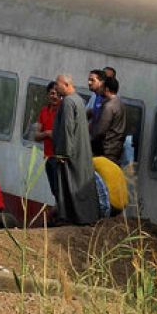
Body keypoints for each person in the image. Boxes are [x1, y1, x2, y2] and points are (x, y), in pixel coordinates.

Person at [49, 74, 98, 225]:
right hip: (78, 151)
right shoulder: (78, 99)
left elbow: (67, 128)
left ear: (66, 84)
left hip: (69, 154)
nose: (55, 88)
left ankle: (69, 217)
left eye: (57, 85)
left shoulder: (69, 102)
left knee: (68, 184)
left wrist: (63, 153)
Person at [90, 76, 127, 163]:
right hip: (116, 149)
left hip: (107, 150)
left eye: (102, 87)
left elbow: (101, 131)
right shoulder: (120, 103)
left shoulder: (109, 107)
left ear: (106, 89)